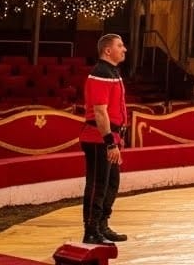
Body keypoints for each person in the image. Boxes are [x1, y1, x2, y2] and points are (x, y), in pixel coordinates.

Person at [79, 34, 129, 245]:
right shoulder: (100, 73)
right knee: (98, 185)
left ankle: (101, 225)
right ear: (108, 51)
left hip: (110, 137)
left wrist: (118, 138)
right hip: (98, 139)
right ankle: (91, 230)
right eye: (120, 45)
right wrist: (110, 142)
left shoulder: (112, 72)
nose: (124, 49)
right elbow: (100, 112)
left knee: (111, 184)